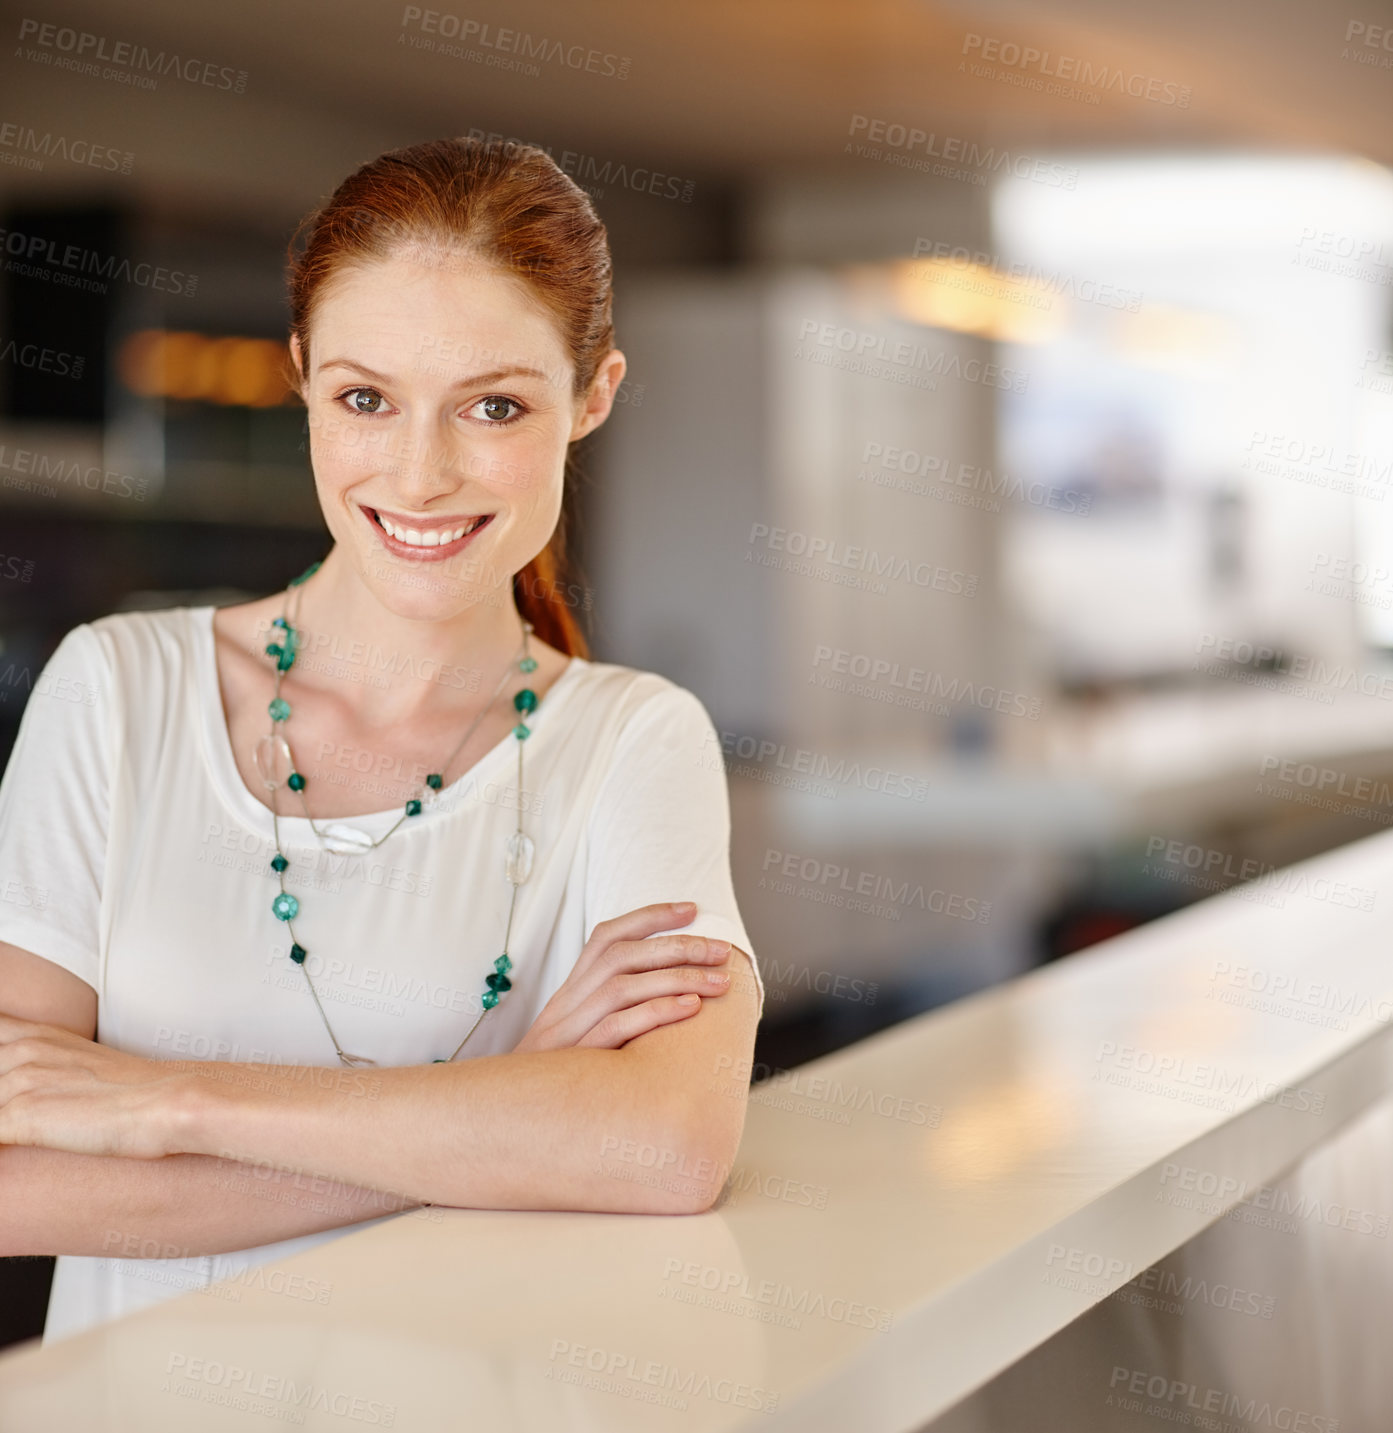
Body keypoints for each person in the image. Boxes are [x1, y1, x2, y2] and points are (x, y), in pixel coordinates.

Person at [0, 136, 764, 1346]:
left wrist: (166, 1100)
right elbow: (13, 1177)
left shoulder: (632, 741)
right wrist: (493, 1118)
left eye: (496, 405)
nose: (420, 474)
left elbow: (664, 1144)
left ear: (594, 396)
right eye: (366, 398)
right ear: (301, 375)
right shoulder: (117, 690)